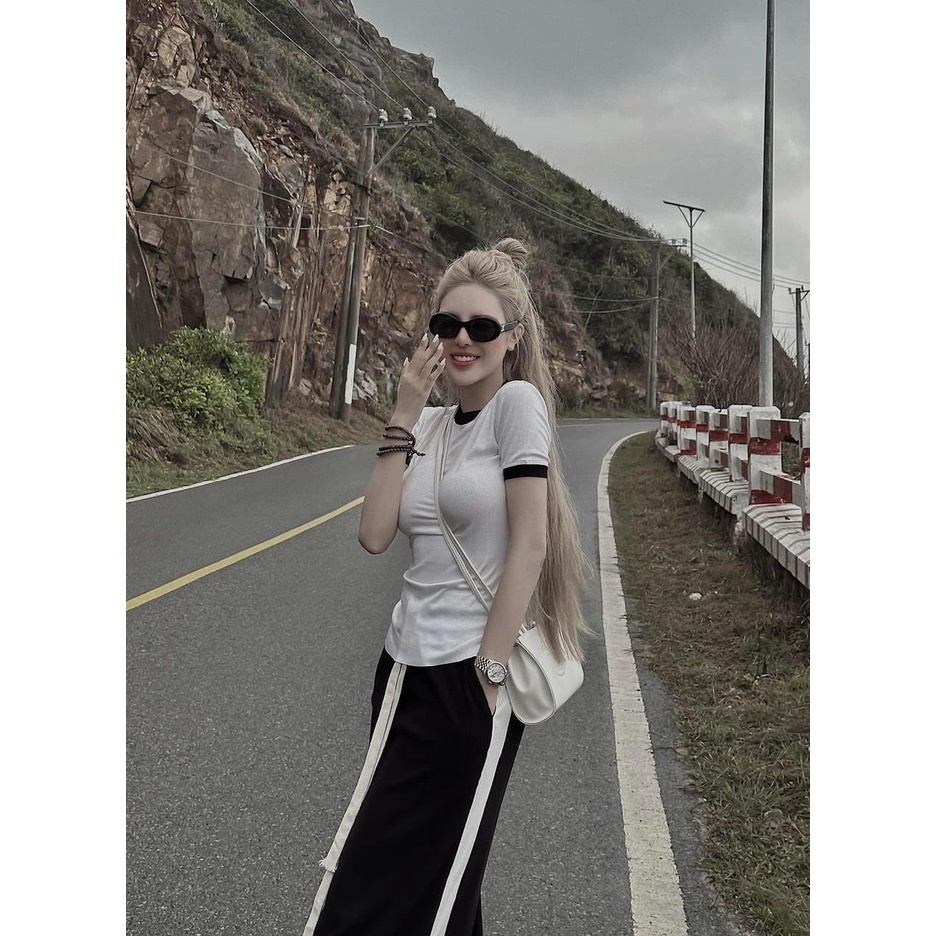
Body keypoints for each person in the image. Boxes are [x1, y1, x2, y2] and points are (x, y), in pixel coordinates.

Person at [302, 238, 589, 936]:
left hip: (468, 678)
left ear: (512, 338)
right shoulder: (427, 426)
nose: (462, 339)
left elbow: (531, 542)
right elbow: (375, 534)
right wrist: (404, 413)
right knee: (414, 871)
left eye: (482, 327)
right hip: (400, 672)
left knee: (420, 882)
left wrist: (488, 673)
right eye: (447, 325)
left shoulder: (517, 406)